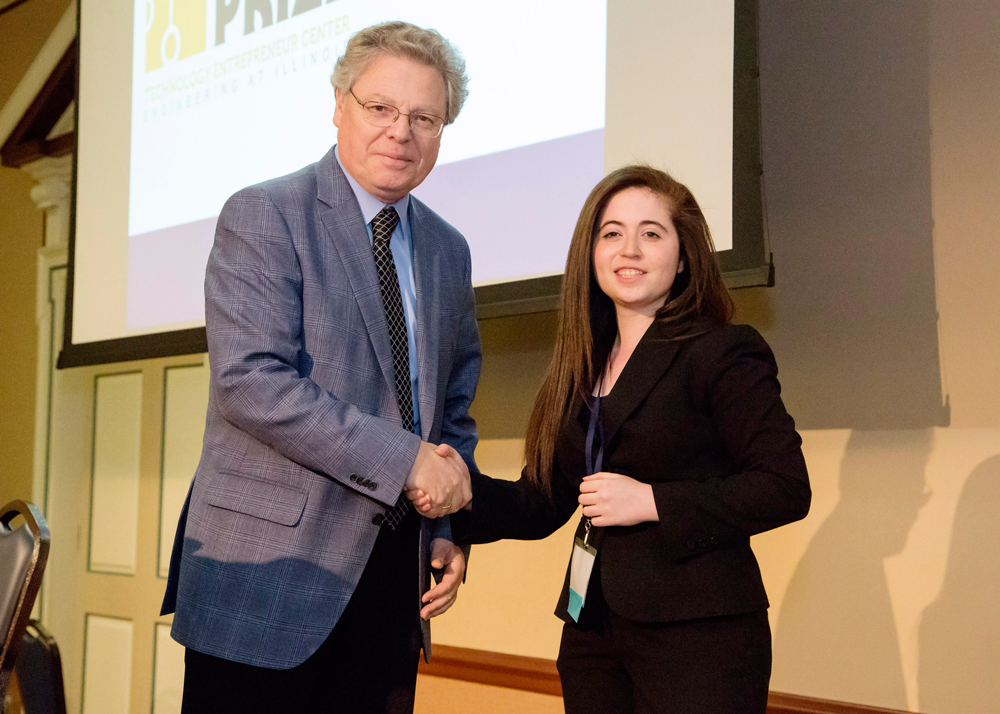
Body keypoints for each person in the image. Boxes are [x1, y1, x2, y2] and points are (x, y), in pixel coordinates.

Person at [160, 21, 480, 714]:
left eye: (425, 117)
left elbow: (451, 409)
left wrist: (449, 527)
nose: (401, 131)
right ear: (340, 104)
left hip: (394, 592)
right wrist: (406, 461)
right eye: (380, 108)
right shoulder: (265, 214)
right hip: (267, 586)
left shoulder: (449, 252)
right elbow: (251, 383)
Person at [415, 165, 811, 713]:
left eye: (651, 233)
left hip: (699, 638)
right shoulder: (583, 365)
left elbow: (785, 486)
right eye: (611, 233)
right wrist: (449, 496)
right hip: (592, 628)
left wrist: (650, 501)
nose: (630, 249)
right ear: (591, 252)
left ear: (684, 254)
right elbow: (541, 502)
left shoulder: (722, 351)